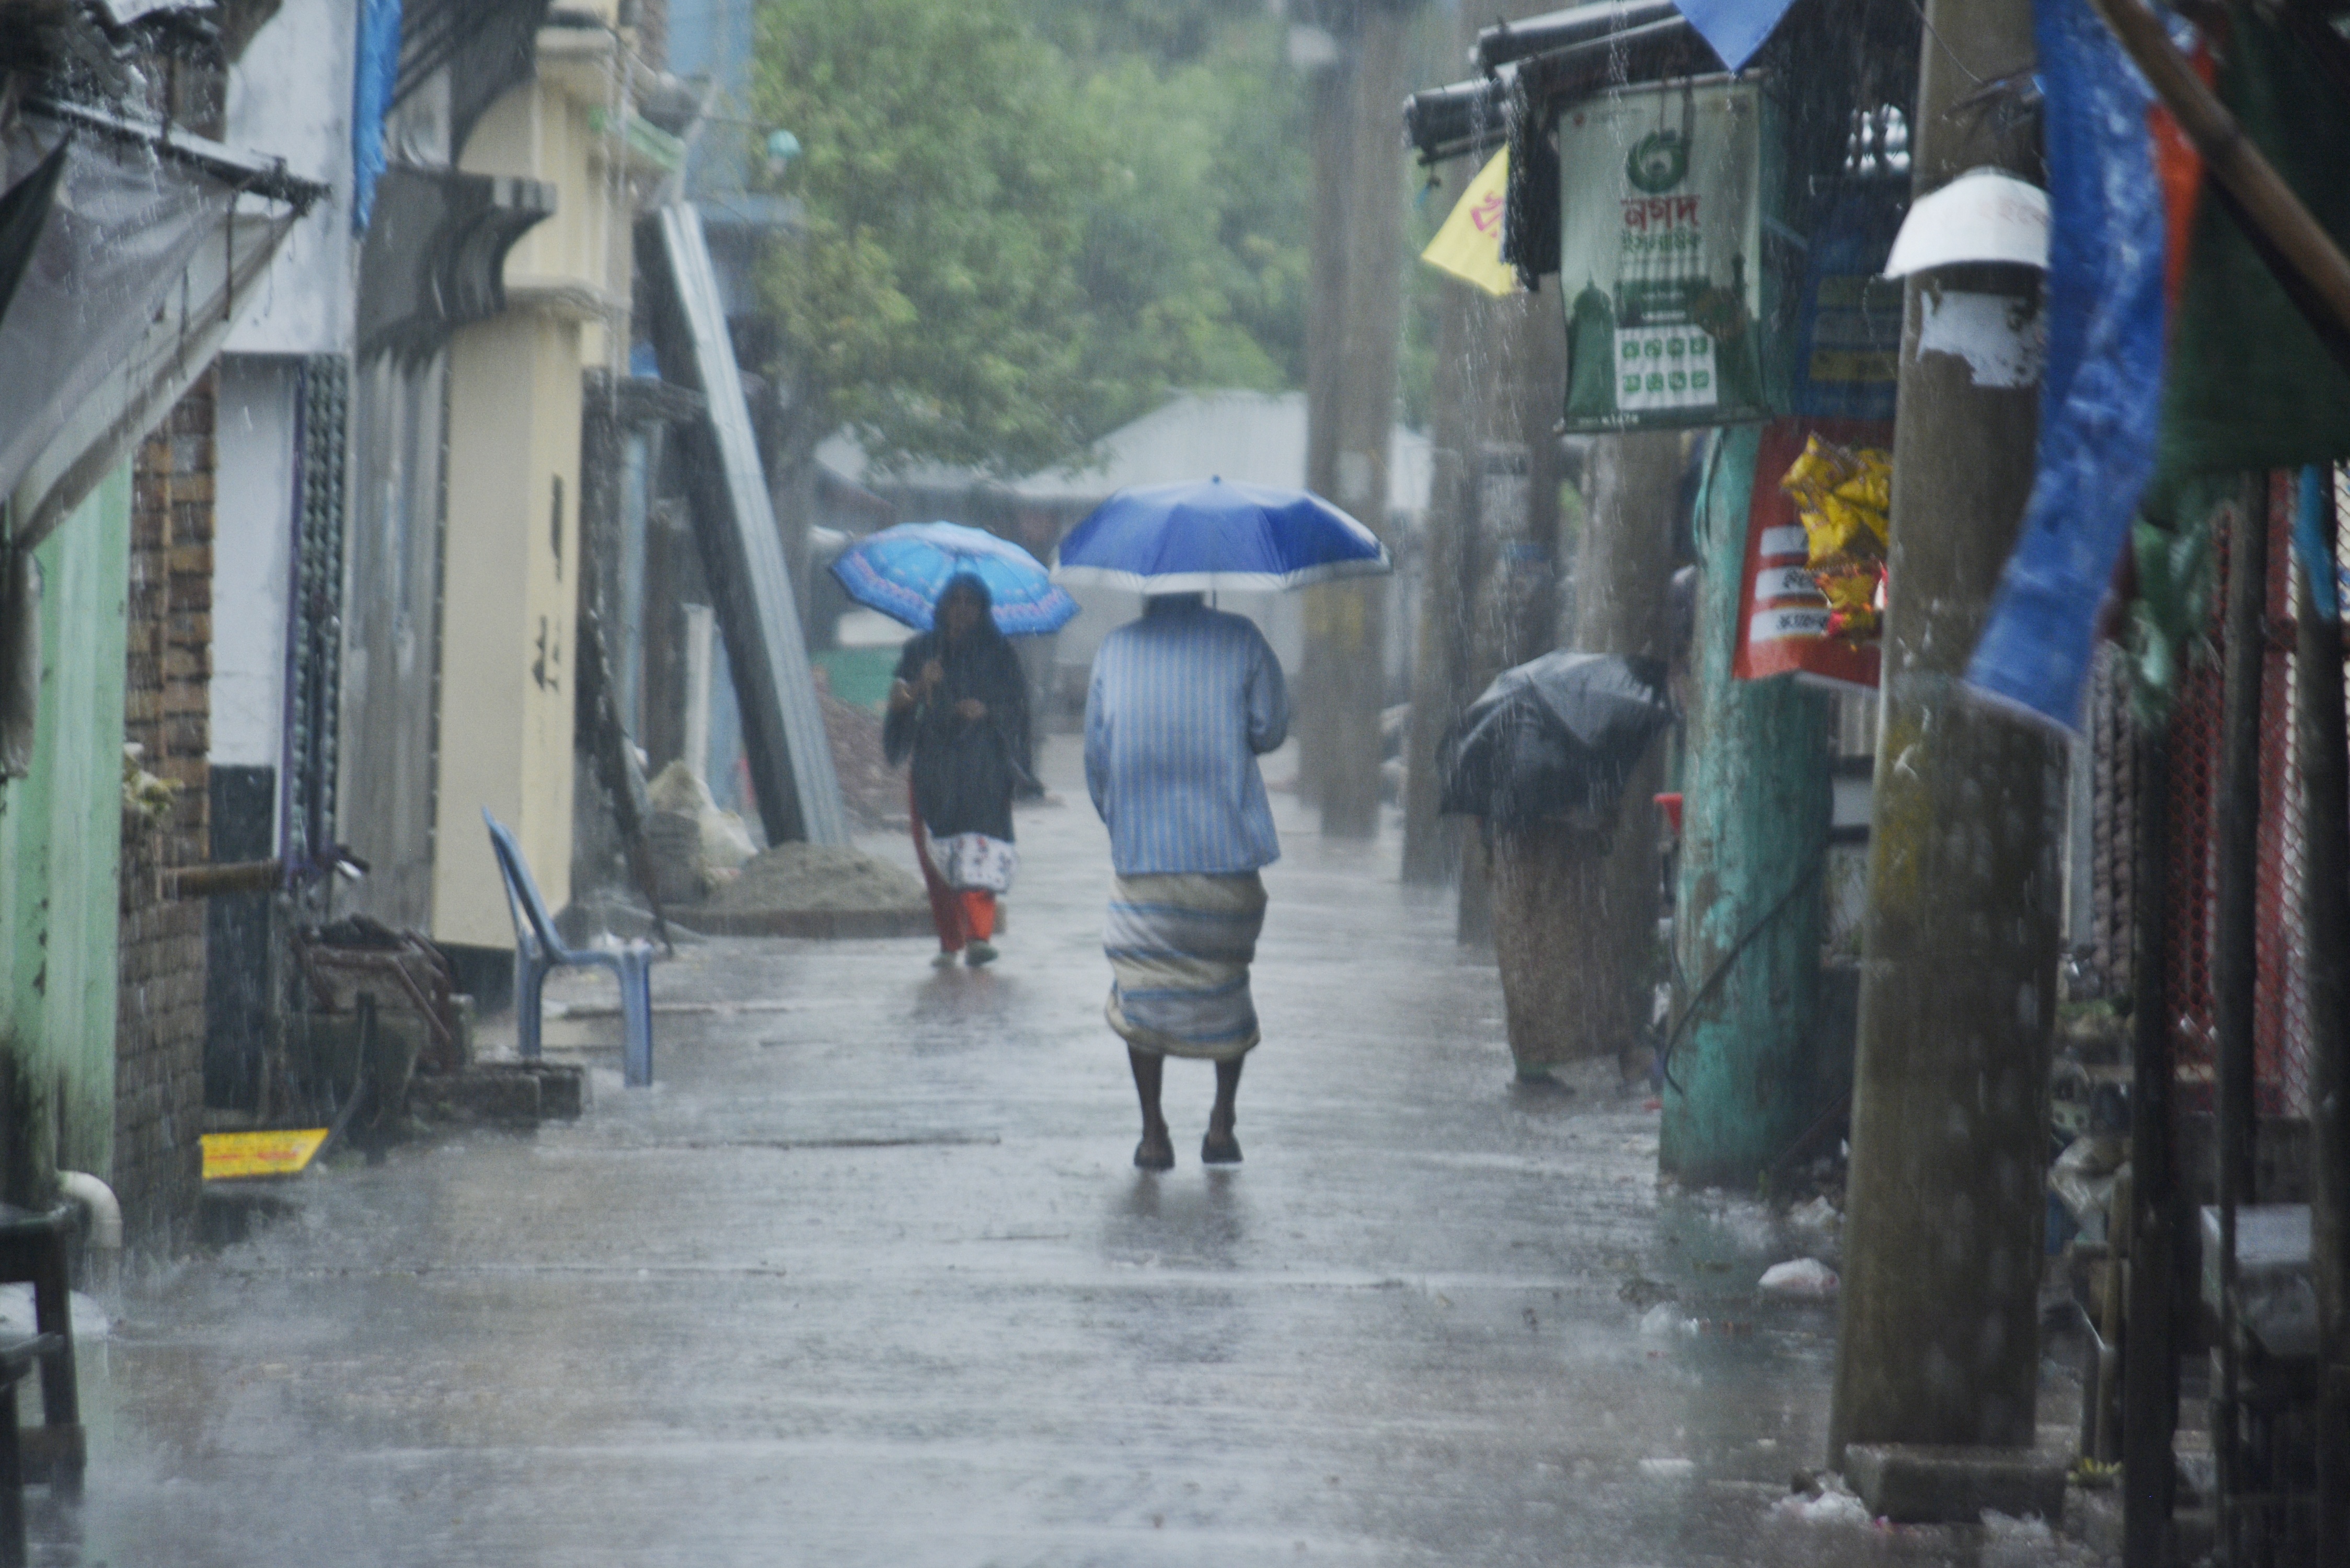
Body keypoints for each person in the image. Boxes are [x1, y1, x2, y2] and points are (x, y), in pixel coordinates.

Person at [1084, 591, 1288, 1169]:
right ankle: (1221, 1126)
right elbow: (1269, 729)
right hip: (1226, 862)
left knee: (1141, 996)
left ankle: (1153, 1135)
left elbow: (1098, 764)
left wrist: (1129, 824)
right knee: (1225, 983)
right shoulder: (1242, 638)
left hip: (1142, 859)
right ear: (1203, 590)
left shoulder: (1114, 649)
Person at [885, 573, 1031, 967]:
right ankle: (950, 938)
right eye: (956, 601)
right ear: (944, 606)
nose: (963, 610)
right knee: (935, 851)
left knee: (979, 848)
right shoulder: (921, 651)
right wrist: (920, 685)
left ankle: (979, 935)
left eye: (971, 602)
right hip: (934, 765)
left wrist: (987, 711)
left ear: (983, 609)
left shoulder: (1000, 654)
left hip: (983, 766)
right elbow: (898, 704)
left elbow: (1018, 710)